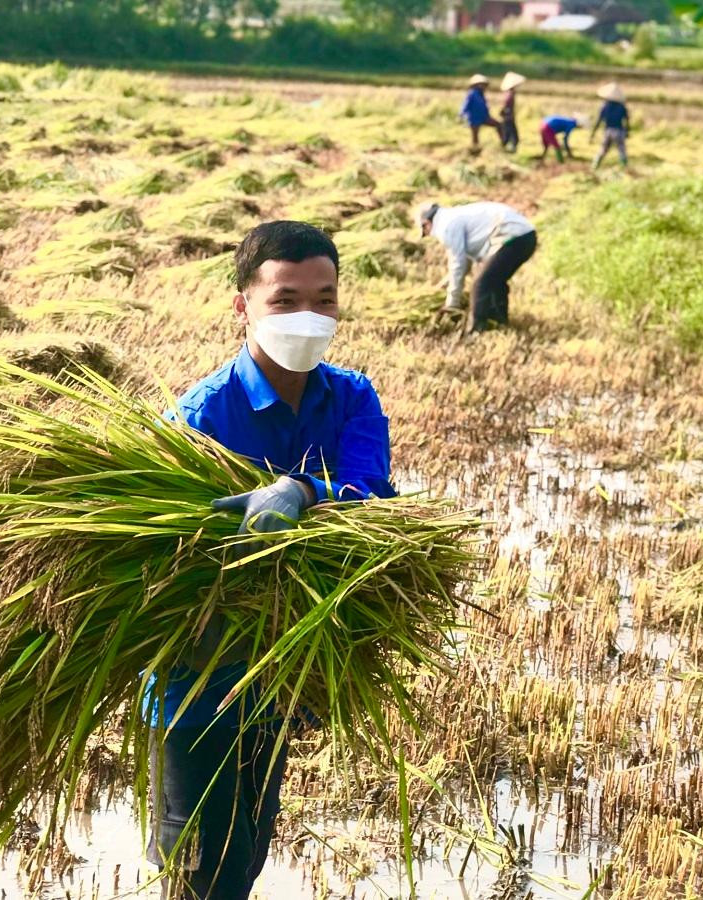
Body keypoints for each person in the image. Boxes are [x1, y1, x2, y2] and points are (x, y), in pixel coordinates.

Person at [146, 220, 395, 900]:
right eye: (286, 300)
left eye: (325, 298)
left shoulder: (351, 397)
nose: (308, 316)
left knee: (249, 849)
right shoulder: (202, 417)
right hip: (199, 672)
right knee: (199, 864)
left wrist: (303, 489)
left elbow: (371, 495)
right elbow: (163, 553)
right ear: (242, 306)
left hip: (284, 669)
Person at [417, 201, 537, 334]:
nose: (429, 235)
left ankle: (477, 331)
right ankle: (499, 325)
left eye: (425, 232)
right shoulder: (453, 216)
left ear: (427, 224)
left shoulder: (445, 226)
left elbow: (458, 264)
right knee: (494, 281)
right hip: (526, 236)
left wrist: (452, 302)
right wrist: (443, 285)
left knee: (481, 284)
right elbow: (465, 263)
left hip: (512, 236)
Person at [591, 82, 630, 169]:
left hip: (608, 131)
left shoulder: (605, 106)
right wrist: (627, 131)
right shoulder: (622, 107)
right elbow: (627, 120)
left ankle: (594, 166)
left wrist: (593, 134)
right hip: (619, 131)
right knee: (622, 150)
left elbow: (599, 121)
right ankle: (625, 168)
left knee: (603, 149)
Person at [459, 74, 499, 151]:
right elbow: (465, 105)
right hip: (474, 119)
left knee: (498, 125)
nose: (483, 86)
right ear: (476, 85)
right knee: (475, 136)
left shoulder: (481, 94)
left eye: (484, 85)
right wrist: (461, 114)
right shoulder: (471, 94)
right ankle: (475, 150)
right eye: (481, 84)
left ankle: (503, 143)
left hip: (483, 117)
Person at [498, 72, 526, 153]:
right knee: (510, 135)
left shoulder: (510, 93)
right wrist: (506, 112)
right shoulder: (510, 94)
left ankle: (506, 149)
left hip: (509, 117)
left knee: (509, 134)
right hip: (508, 118)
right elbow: (506, 105)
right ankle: (507, 150)